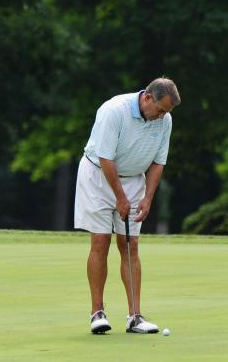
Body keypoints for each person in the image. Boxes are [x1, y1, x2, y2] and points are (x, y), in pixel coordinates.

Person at [75, 77, 181, 334]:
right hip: (98, 176)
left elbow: (158, 162)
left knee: (130, 244)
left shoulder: (164, 120)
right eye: (160, 110)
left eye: (166, 112)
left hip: (134, 179)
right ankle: (97, 313)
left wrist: (147, 198)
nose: (162, 116)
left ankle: (135, 316)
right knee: (101, 241)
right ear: (147, 98)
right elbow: (106, 158)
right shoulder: (113, 111)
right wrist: (120, 198)